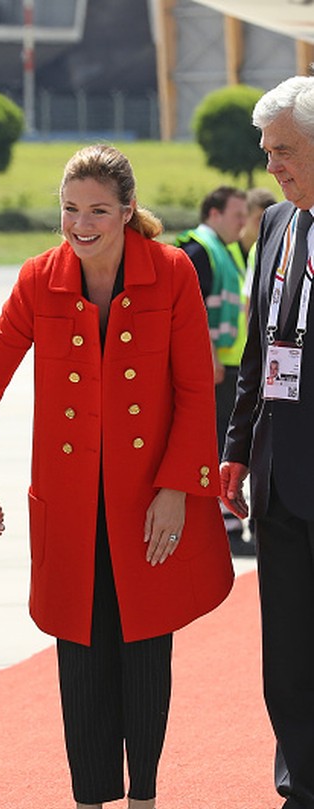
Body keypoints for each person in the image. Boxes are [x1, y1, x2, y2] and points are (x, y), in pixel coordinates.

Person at [0, 145, 234, 809]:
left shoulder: (175, 272)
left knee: (144, 650)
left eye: (98, 210)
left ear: (128, 211)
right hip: (69, 506)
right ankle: (87, 805)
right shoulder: (41, 279)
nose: (81, 224)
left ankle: (145, 804)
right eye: (71, 209)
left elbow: (197, 388)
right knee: (82, 653)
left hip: (147, 504)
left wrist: (176, 490)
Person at [221, 75, 314, 809]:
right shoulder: (278, 223)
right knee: (287, 655)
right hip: (282, 476)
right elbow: (258, 350)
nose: (272, 165)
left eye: (284, 151)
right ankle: (301, 806)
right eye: (269, 151)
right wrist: (235, 449)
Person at [176, 186, 254, 557]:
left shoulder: (224, 251)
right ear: (213, 213)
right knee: (220, 445)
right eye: (237, 215)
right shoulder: (199, 252)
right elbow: (193, 312)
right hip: (216, 366)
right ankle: (225, 526)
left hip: (229, 363)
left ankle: (228, 522)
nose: (242, 223)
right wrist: (207, 357)